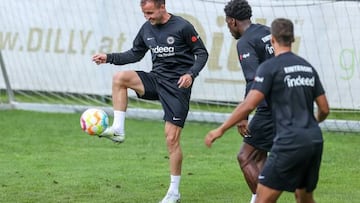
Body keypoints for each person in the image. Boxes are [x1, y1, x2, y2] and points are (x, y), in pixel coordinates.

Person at [92, 0, 208, 202]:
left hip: (177, 88)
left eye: (150, 13)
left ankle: (174, 192)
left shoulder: (182, 26)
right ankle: (118, 129)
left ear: (162, 6)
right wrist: (108, 57)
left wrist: (191, 74)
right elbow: (135, 53)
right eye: (144, 13)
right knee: (120, 78)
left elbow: (202, 53)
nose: (147, 17)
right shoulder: (147, 28)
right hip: (156, 80)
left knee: (171, 140)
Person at [205, 18, 329, 203]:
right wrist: (313, 122)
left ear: (272, 40)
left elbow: (249, 105)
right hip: (314, 140)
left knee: (262, 200)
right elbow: (325, 109)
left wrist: (220, 129)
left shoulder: (269, 68)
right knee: (304, 197)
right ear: (292, 39)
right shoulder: (307, 67)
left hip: (288, 142)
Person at [224, 1, 275, 202]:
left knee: (244, 157)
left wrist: (243, 115)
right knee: (260, 156)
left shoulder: (244, 42)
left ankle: (262, 199)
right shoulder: (267, 30)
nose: (228, 28)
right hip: (285, 101)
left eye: (227, 24)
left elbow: (253, 80)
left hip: (269, 107)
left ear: (232, 21)